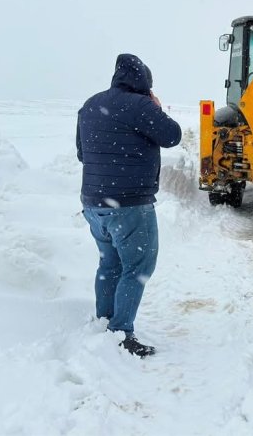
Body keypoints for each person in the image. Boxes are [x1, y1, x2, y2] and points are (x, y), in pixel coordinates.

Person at [76, 54, 182, 357]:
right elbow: (172, 136)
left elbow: (82, 153)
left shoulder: (90, 105)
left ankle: (105, 320)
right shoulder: (141, 105)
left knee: (109, 263)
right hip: (129, 205)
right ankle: (121, 332)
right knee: (138, 266)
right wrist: (157, 108)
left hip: (94, 204)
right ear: (145, 82)